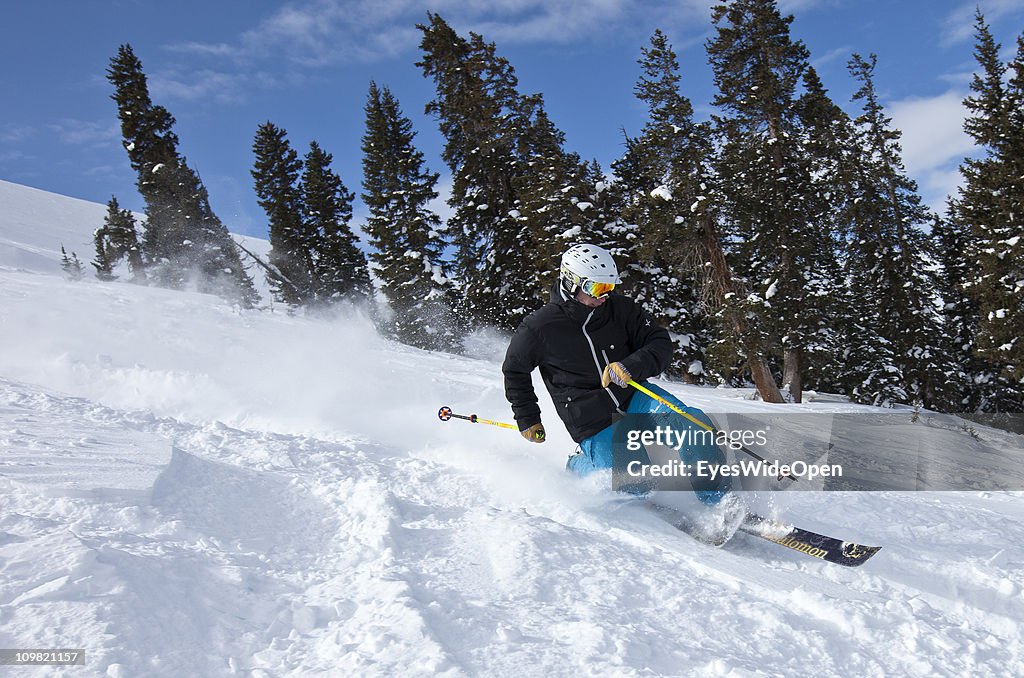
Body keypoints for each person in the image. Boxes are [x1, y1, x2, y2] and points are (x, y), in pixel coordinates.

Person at [501, 243, 730, 504]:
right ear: (571, 282)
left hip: (635, 397)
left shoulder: (621, 310)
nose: (604, 297)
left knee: (694, 427)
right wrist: (528, 418)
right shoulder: (540, 326)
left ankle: (718, 501)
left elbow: (660, 343)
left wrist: (630, 366)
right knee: (635, 484)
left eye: (609, 287)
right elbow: (514, 371)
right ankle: (581, 464)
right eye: (597, 288)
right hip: (591, 419)